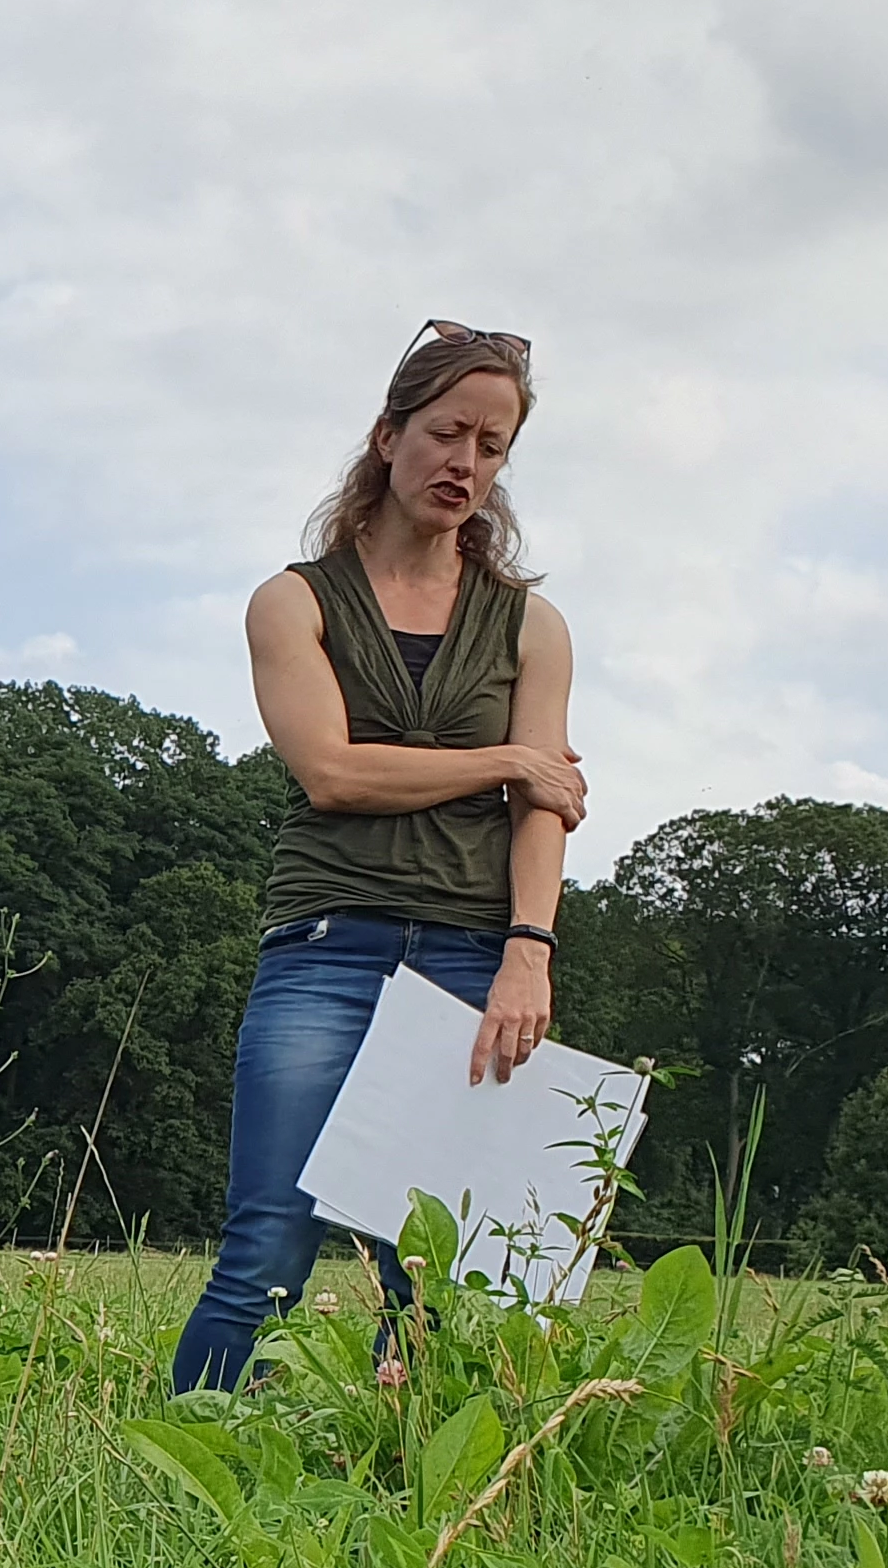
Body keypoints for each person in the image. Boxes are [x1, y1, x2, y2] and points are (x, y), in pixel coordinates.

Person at [169, 321, 586, 1395]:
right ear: (388, 434)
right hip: (327, 949)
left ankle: (415, 1476)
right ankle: (191, 1462)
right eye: (449, 433)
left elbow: (545, 811)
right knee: (269, 1243)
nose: (468, 464)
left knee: (436, 1268)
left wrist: (529, 953)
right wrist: (509, 761)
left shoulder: (532, 626)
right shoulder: (294, 601)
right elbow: (334, 774)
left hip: (472, 955)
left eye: (493, 447)